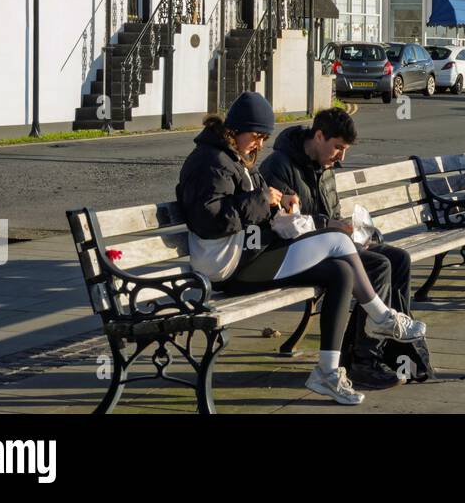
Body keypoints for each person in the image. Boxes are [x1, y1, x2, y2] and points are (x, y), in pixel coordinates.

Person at [175, 92, 425, 408]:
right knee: (338, 242)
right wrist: (262, 202)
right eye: (256, 136)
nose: (259, 145)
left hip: (249, 255)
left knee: (341, 271)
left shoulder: (232, 158)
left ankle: (328, 372)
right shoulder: (210, 161)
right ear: (237, 128)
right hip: (228, 268)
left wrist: (280, 203)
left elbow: (249, 210)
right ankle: (381, 316)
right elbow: (209, 220)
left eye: (264, 138)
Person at [259, 107, 409, 389]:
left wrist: (351, 231)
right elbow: (282, 225)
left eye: (346, 149)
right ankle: (364, 360)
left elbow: (333, 214)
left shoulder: (326, 167)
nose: (342, 156)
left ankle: (387, 347)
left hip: (333, 246)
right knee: (379, 266)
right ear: (318, 136)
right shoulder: (278, 167)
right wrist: (330, 225)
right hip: (298, 254)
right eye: (338, 147)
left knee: (398, 258)